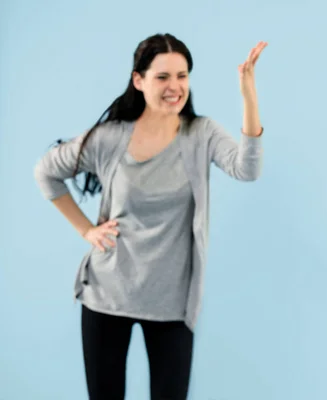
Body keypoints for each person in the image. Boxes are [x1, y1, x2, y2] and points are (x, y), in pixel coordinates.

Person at [34, 33, 267, 400]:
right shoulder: (110, 138)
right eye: (163, 77)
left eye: (183, 75)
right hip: (107, 294)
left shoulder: (200, 133)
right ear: (138, 80)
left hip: (172, 302)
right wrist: (87, 231)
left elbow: (247, 168)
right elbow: (46, 171)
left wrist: (248, 94)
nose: (175, 86)